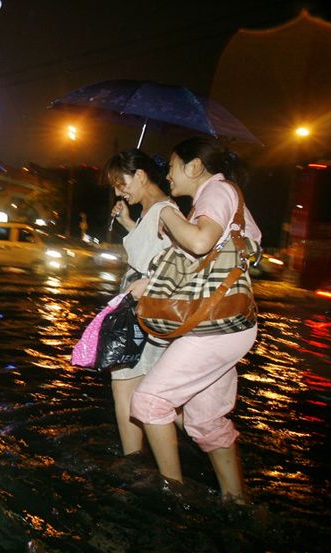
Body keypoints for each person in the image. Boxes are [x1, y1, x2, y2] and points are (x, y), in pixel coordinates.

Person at [129, 137, 262, 504]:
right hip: (228, 324)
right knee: (206, 421)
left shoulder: (215, 189)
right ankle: (236, 501)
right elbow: (237, 249)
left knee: (150, 402)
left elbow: (201, 243)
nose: (167, 174)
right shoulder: (225, 196)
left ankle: (174, 495)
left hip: (213, 327)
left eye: (171, 166)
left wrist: (165, 213)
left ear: (194, 166)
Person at [102, 149, 176, 456]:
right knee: (144, 389)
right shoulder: (153, 210)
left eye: (122, 183)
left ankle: (133, 462)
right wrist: (128, 222)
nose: (119, 191)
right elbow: (152, 248)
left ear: (141, 176)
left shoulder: (164, 211)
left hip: (142, 310)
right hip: (140, 309)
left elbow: (169, 261)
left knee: (125, 387)